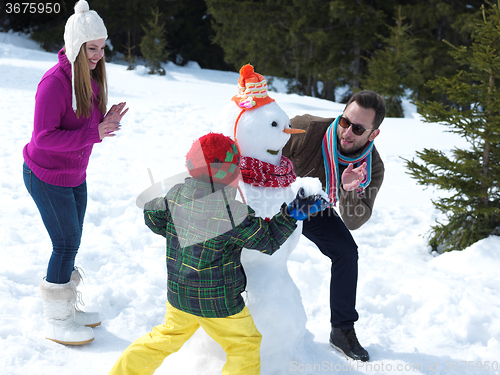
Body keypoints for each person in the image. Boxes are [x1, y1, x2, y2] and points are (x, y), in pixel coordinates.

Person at [108, 133, 327, 375]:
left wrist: (176, 232)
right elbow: (268, 239)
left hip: (180, 295)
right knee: (244, 344)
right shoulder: (234, 213)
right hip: (219, 303)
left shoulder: (175, 196)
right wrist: (292, 214)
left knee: (163, 339)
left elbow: (151, 214)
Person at [22, 0, 128, 345]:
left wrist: (104, 120)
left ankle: (65, 308)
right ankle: (56, 320)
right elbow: (44, 137)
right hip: (45, 176)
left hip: (74, 175)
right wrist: (94, 132)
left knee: (72, 242)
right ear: (75, 46)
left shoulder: (89, 79)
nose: (98, 55)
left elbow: (80, 124)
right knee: (65, 243)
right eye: (91, 48)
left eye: (101, 47)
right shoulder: (54, 83)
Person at [282, 90, 386, 362]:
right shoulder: (305, 128)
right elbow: (259, 151)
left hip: (315, 207)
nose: (347, 131)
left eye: (359, 128)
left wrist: (349, 188)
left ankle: (342, 330)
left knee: (346, 253)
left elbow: (354, 220)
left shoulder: (372, 167)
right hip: (274, 198)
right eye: (344, 121)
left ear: (372, 134)